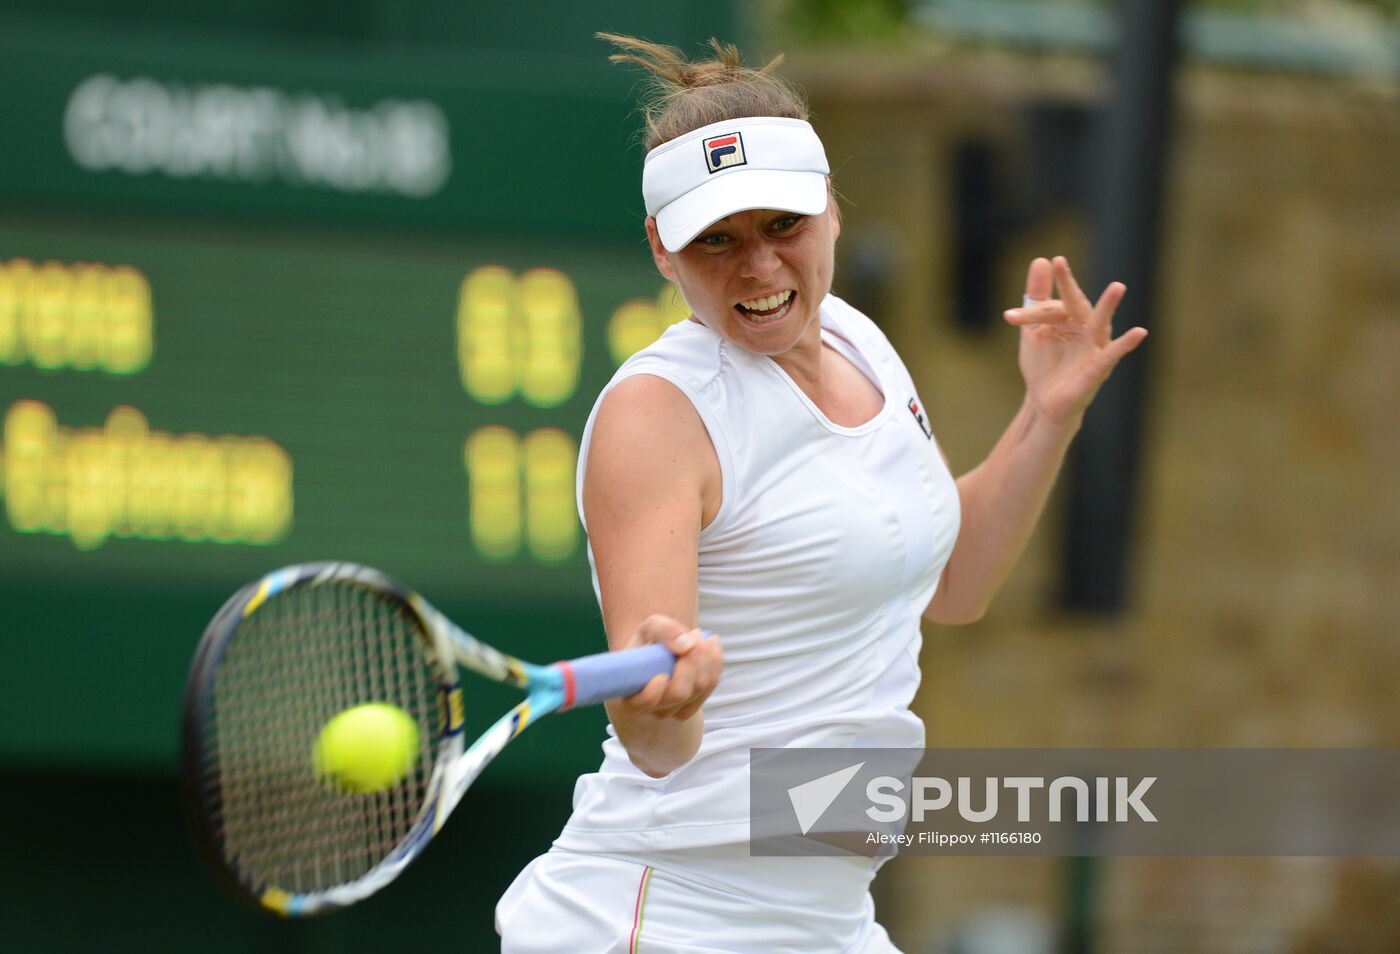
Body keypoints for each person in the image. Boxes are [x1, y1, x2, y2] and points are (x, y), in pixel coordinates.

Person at [496, 34, 1147, 953]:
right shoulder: (655, 417)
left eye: (781, 226)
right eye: (716, 239)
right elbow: (656, 748)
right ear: (660, 248)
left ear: (831, 209)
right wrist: (661, 699)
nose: (757, 268)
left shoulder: (858, 340)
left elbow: (953, 583)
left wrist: (1045, 415)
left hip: (828, 920)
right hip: (668, 915)